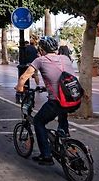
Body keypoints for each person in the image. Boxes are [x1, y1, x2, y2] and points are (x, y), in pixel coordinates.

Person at [15, 36, 76, 166]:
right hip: (73, 98)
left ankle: (46, 155)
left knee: (38, 122)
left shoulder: (40, 60)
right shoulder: (65, 58)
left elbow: (24, 76)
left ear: (42, 49)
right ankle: (64, 137)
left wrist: (20, 88)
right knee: (62, 113)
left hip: (57, 102)